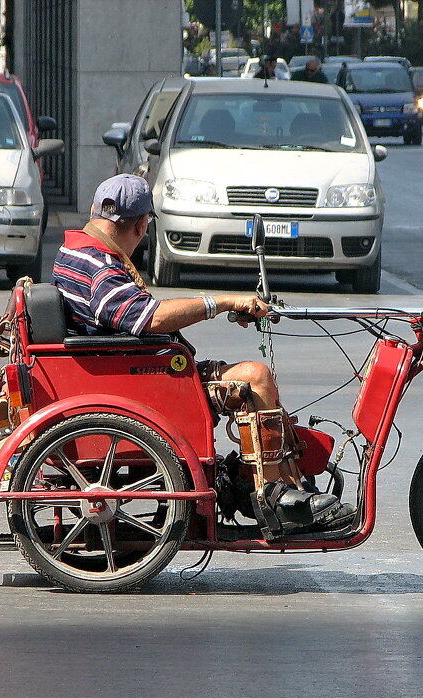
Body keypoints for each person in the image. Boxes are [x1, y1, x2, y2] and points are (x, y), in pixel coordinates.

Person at [51, 175, 355, 536]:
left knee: (246, 375)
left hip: (132, 369)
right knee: (254, 376)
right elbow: (148, 318)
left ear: (94, 211)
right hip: (142, 381)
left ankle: (265, 481)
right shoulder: (100, 265)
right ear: (141, 224)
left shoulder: (74, 250)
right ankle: (274, 495)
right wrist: (221, 302)